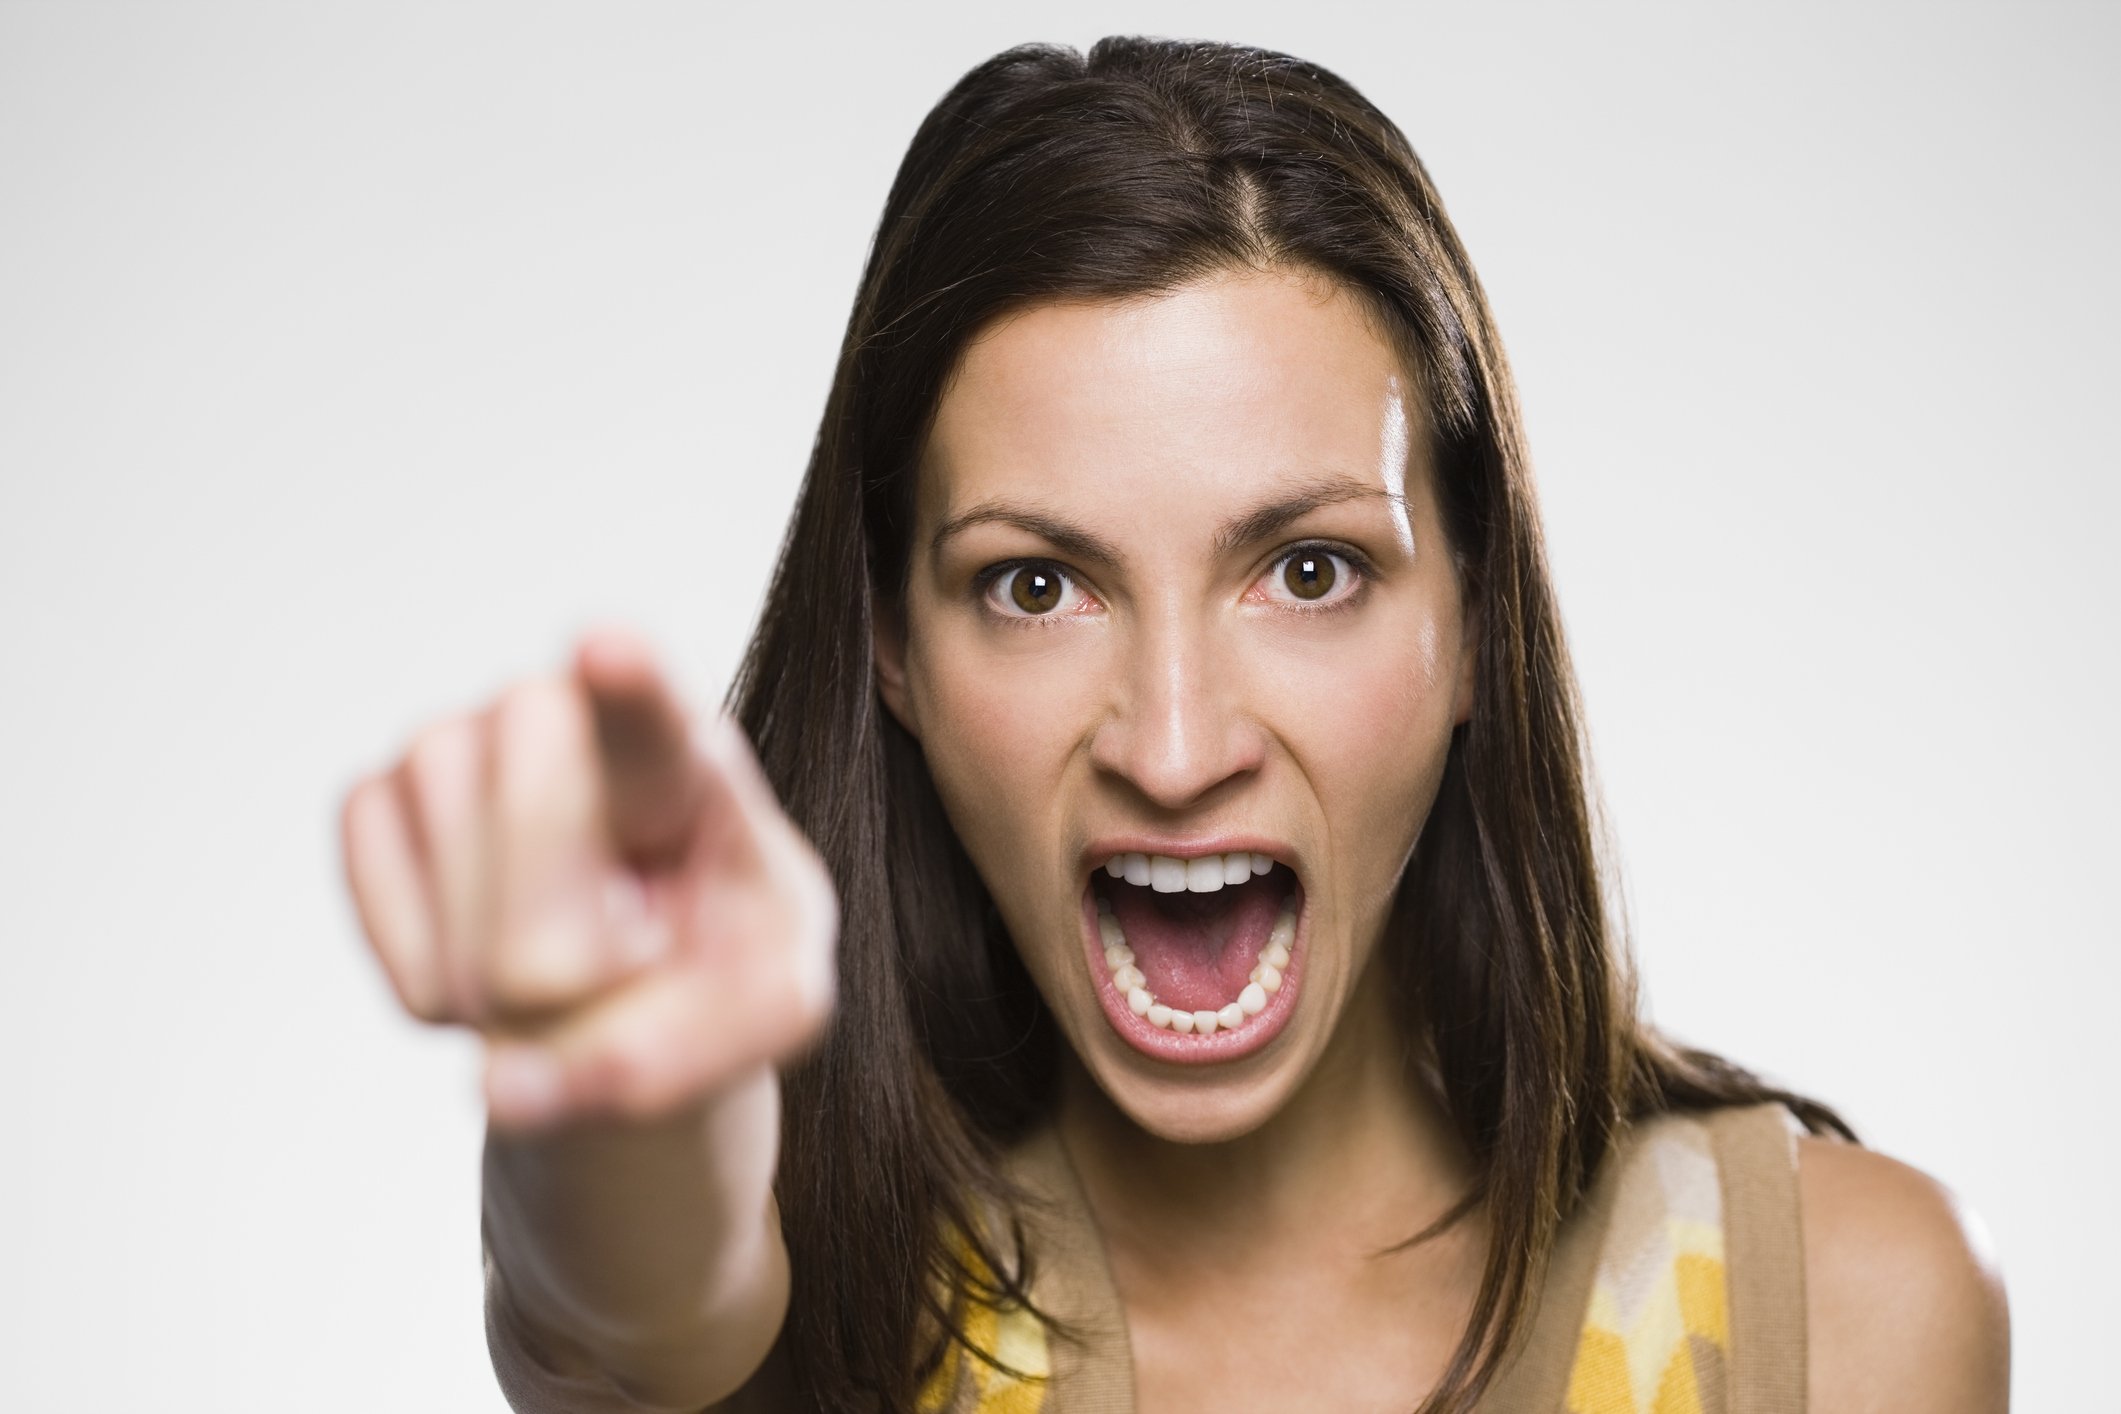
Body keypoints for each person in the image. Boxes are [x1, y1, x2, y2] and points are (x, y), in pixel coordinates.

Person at [338, 36, 2009, 1414]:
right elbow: (617, 1319)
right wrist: (625, 1076)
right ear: (889, 648)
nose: (1175, 738)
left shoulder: (1843, 1312)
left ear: (1475, 622)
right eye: (1037, 587)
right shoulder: (819, 1287)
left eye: (1305, 568)